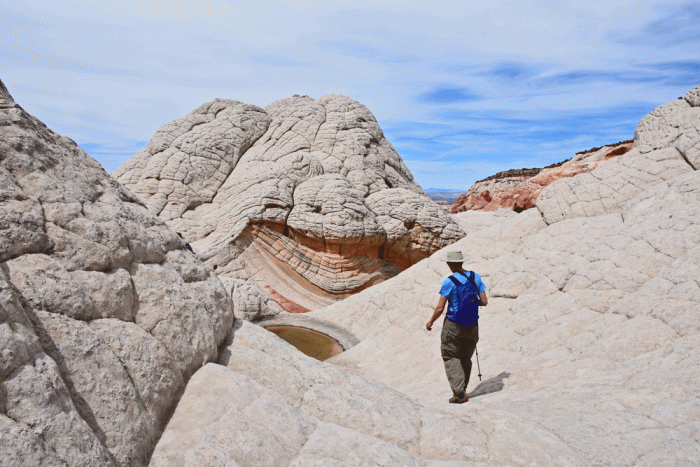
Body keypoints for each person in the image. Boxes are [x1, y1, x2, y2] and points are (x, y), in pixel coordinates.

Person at [426, 251, 487, 404]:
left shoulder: (449, 281)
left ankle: (459, 393)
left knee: (450, 355)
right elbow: (484, 301)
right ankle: (462, 390)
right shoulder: (475, 277)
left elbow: (440, 308)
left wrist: (431, 321)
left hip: (453, 325)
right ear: (462, 262)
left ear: (450, 264)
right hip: (472, 325)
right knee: (465, 358)